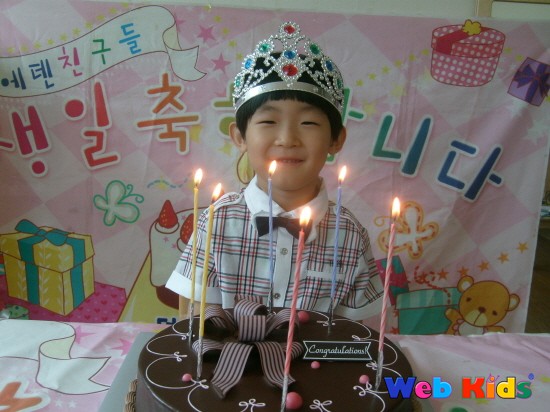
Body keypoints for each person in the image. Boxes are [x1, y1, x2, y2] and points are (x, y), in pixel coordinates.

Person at [166, 21, 382, 321]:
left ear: (336, 139)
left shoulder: (348, 234)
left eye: (308, 123)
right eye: (268, 122)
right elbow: (192, 321)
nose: (287, 139)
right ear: (240, 137)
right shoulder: (217, 222)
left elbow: (361, 331)